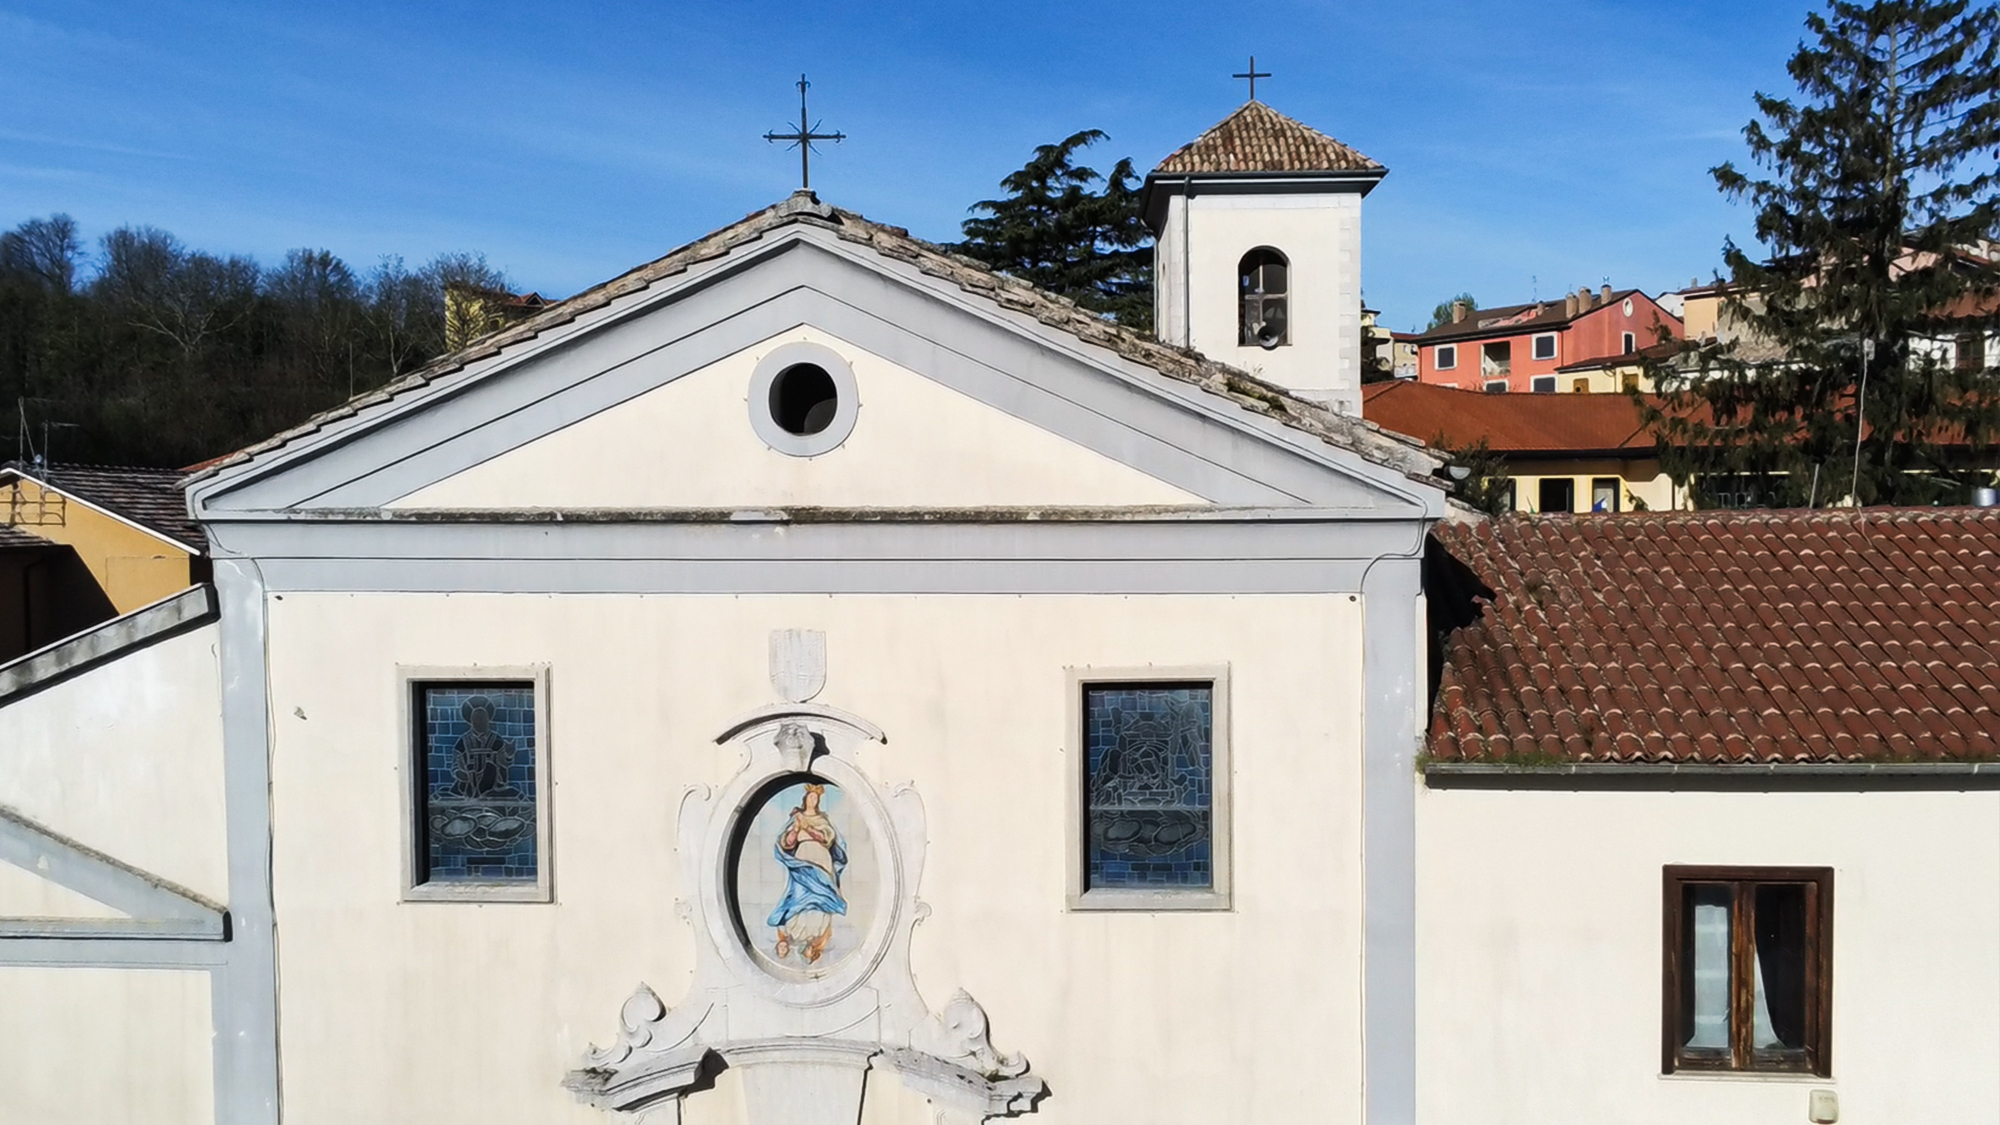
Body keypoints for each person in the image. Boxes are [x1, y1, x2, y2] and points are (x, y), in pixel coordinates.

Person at [768, 784, 846, 963]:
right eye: (811, 797)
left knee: (821, 892)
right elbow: (787, 842)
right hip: (803, 856)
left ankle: (815, 931)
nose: (813, 800)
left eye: (816, 798)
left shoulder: (822, 818)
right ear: (805, 799)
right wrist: (796, 829)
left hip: (821, 858)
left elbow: (827, 837)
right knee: (800, 892)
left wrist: (809, 829)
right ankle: (797, 930)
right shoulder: (797, 817)